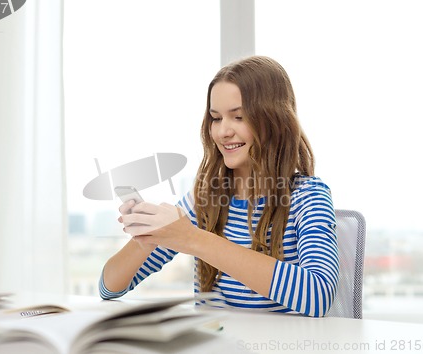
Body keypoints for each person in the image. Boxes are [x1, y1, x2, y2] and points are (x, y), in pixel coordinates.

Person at [99, 55, 339, 317]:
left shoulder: (308, 196)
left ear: (274, 121)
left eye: (239, 117)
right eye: (216, 118)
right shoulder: (204, 199)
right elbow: (109, 288)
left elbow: (318, 295)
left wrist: (193, 239)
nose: (223, 132)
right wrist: (144, 242)